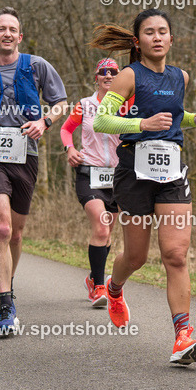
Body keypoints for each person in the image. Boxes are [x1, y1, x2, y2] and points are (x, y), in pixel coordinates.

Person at [90, 9, 196, 365]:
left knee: (175, 254)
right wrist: (142, 123)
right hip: (134, 173)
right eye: (149, 32)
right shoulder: (127, 76)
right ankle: (115, 287)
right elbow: (101, 120)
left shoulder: (180, 76)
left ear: (171, 39)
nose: (157, 37)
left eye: (162, 31)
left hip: (171, 172)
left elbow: (173, 114)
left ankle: (183, 334)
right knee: (136, 256)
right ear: (138, 42)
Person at [0, 7, 67, 337]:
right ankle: (6, 304)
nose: (7, 33)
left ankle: (6, 283)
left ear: (19, 36)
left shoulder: (37, 66)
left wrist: (44, 121)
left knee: (18, 233)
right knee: (3, 228)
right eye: (1, 29)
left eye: (13, 29)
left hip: (27, 154)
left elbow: (61, 103)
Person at [59, 58, 124, 306]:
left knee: (107, 234)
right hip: (89, 173)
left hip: (118, 177)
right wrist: (69, 149)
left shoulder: (128, 106)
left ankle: (93, 277)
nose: (108, 76)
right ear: (96, 77)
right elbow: (66, 129)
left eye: (114, 72)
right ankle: (98, 287)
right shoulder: (84, 105)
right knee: (101, 226)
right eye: (103, 72)